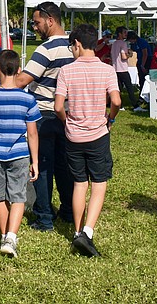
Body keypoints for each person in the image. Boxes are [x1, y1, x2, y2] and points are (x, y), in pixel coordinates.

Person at [55, 24, 120, 257]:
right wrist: (110, 119)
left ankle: (76, 231)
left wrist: (66, 122)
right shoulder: (107, 70)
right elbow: (117, 101)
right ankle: (88, 232)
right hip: (98, 134)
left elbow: (58, 106)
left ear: (78, 44)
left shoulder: (66, 71)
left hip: (73, 135)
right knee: (99, 182)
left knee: (79, 183)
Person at [14, 2, 74, 231]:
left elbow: (22, 81)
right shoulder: (73, 46)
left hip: (42, 114)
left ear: (50, 20)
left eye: (37, 23)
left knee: (41, 167)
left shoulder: (46, 49)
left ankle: (44, 217)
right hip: (67, 114)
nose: (35, 28)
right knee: (64, 166)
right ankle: (68, 211)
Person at [0, 50, 40, 258]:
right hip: (19, 153)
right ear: (19, 70)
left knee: (0, 197)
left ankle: (4, 235)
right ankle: (12, 236)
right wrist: (35, 161)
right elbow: (32, 133)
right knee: (18, 196)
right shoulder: (27, 99)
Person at [111, 26, 138, 109]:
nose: (126, 34)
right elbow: (123, 56)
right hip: (123, 69)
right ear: (120, 34)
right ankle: (135, 105)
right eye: (124, 32)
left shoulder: (114, 43)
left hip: (115, 69)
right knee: (129, 88)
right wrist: (129, 55)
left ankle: (120, 105)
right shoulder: (123, 43)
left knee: (118, 89)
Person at [127, 31, 150, 102]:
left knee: (146, 79)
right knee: (141, 79)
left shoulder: (141, 42)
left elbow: (145, 54)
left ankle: (146, 96)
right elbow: (132, 50)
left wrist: (143, 65)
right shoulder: (134, 43)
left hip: (146, 60)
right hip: (140, 61)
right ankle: (141, 95)